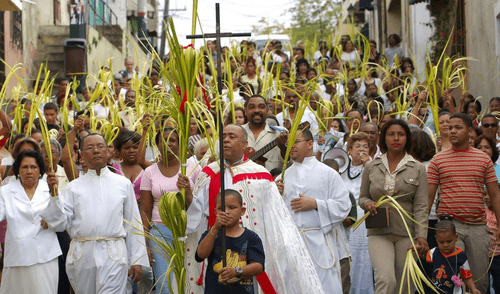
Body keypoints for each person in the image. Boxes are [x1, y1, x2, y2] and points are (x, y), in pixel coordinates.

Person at [178, 124, 324, 294]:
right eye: (223, 136)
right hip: (216, 246)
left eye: (232, 136)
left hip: (248, 247)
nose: (226, 140)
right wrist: (188, 194)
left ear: (245, 144)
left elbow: (277, 219)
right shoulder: (209, 173)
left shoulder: (260, 175)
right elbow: (197, 214)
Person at [40, 133, 149, 293]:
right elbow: (60, 223)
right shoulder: (73, 188)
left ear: (108, 152)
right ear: (82, 155)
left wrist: (137, 259)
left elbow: (133, 223)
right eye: (90, 148)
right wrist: (55, 195)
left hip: (113, 253)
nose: (96, 151)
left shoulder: (123, 184)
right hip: (82, 255)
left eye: (100, 147)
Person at [427, 113, 500, 294]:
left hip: (478, 228)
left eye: (457, 127)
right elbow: (427, 198)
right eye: (450, 127)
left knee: (479, 282)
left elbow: (495, 195)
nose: (452, 131)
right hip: (450, 228)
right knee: (449, 282)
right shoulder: (438, 160)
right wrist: (420, 231)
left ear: (469, 131)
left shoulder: (483, 159)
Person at [276, 128, 350, 293]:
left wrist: (316, 204)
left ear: (310, 144)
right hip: (292, 244)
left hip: (320, 241)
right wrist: (275, 196)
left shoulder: (328, 173)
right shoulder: (283, 177)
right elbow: (275, 215)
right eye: (288, 143)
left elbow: (344, 206)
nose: (290, 147)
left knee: (324, 286)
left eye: (296, 142)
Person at [359, 119, 429, 293]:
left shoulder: (418, 168)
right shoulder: (371, 166)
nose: (396, 138)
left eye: (401, 134)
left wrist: (422, 236)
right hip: (378, 232)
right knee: (386, 279)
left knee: (405, 283)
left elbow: (421, 205)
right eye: (391, 134)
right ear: (384, 138)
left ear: (407, 138)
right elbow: (362, 197)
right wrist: (368, 203)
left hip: (407, 233)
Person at [140, 128, 201, 294]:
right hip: (160, 232)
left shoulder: (194, 169)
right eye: (163, 140)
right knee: (164, 283)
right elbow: (145, 209)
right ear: (157, 144)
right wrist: (145, 242)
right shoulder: (149, 172)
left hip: (188, 231)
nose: (167, 144)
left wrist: (188, 190)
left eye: (172, 140)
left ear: (180, 144)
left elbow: (200, 205)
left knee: (189, 280)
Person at [0, 150, 60, 294]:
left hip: (46, 256)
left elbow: (61, 220)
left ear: (40, 170)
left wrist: (55, 198)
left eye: (33, 167)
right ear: (17, 170)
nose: (29, 171)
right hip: (17, 256)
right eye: (24, 167)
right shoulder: (6, 191)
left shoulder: (50, 189)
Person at [195, 190, 265, 294]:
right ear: (215, 212)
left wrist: (236, 271)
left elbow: (258, 266)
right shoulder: (210, 235)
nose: (226, 212)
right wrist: (215, 229)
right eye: (221, 209)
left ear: (242, 211)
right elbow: (200, 256)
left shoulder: (251, 237)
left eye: (232, 207)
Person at [340, 132, 374, 294]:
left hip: (365, 218)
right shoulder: (341, 167)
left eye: (365, 146)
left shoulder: (374, 166)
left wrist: (368, 165)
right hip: (345, 219)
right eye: (358, 146)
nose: (362, 150)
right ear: (350, 149)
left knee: (363, 256)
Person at [422, 220, 481, 294]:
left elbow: (466, 276)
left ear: (456, 237)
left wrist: (473, 289)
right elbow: (423, 255)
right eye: (441, 242)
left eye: (449, 241)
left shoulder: (461, 256)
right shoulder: (433, 252)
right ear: (436, 239)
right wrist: (415, 249)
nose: (445, 245)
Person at [242, 95, 287, 171]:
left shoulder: (280, 133)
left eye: (261, 107)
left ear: (267, 110)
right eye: (252, 107)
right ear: (245, 111)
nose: (256, 110)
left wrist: (283, 147)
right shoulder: (236, 133)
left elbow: (291, 162)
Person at [484, 186, 500, 293]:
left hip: (498, 256)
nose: (487, 197)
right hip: (484, 256)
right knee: (484, 285)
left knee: (498, 284)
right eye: (484, 194)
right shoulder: (482, 212)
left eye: (490, 194)